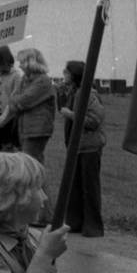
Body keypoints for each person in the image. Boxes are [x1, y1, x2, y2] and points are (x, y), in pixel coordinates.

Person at [0, 48, 56, 224]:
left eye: (22, 62)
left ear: (31, 62)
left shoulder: (42, 82)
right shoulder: (28, 80)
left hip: (37, 130)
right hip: (28, 129)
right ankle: (43, 213)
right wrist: (16, 102)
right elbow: (14, 99)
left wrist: (16, 102)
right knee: (34, 169)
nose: (19, 65)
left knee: (33, 171)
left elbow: (21, 100)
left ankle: (45, 214)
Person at [57, 61, 105, 238]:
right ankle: (75, 223)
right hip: (76, 146)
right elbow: (60, 109)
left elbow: (94, 120)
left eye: (67, 71)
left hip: (89, 146)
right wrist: (60, 94)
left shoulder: (89, 96)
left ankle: (93, 227)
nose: (64, 73)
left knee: (89, 186)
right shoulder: (73, 93)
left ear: (75, 75)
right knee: (74, 185)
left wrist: (72, 115)